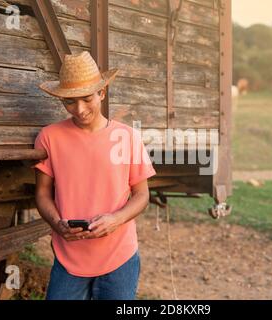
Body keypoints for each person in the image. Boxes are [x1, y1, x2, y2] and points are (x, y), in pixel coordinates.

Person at [33, 51, 156, 300]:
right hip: (69, 257)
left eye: (86, 98)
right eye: (70, 102)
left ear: (102, 92)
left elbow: (142, 194)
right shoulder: (49, 137)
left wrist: (116, 219)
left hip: (120, 257)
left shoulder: (127, 137)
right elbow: (43, 193)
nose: (79, 109)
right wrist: (57, 223)